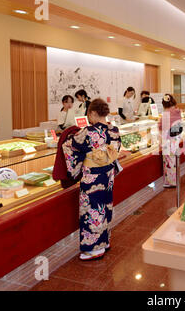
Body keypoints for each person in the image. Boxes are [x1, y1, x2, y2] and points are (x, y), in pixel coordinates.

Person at [62, 98, 122, 261]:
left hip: (92, 177)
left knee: (92, 209)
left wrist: (75, 167)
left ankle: (94, 249)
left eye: (89, 114)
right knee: (105, 206)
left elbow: (70, 145)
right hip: (108, 175)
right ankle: (105, 241)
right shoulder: (114, 130)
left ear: (93, 113)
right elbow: (116, 149)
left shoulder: (88, 132)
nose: (89, 117)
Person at [158, 94, 182, 188]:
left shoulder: (166, 113)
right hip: (175, 139)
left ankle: (171, 182)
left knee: (169, 161)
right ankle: (173, 180)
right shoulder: (177, 111)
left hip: (168, 140)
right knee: (173, 160)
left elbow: (161, 127)